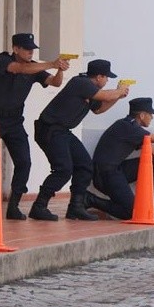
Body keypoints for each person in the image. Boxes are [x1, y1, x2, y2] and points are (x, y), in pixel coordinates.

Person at [28, 59, 131, 221]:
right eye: (106, 77)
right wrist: (118, 91)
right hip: (50, 129)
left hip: (63, 131)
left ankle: (76, 207)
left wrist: (118, 96)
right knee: (63, 169)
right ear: (98, 77)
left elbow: (99, 109)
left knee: (84, 165)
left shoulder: (92, 90)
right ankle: (39, 206)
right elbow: (103, 95)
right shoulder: (81, 83)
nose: (106, 81)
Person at [0, 33, 71, 220]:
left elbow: (55, 83)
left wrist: (60, 69)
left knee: (24, 162)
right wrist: (52, 63)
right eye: (26, 49)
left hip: (14, 121)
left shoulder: (34, 67)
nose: (30, 52)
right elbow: (19, 69)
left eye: (32, 49)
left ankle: (13, 206)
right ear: (15, 49)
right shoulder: (4, 60)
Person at [84, 97, 154, 222]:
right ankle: (91, 199)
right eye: (150, 114)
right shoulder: (128, 127)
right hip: (104, 174)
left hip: (115, 170)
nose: (152, 117)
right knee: (132, 213)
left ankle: (148, 204)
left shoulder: (131, 127)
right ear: (142, 115)